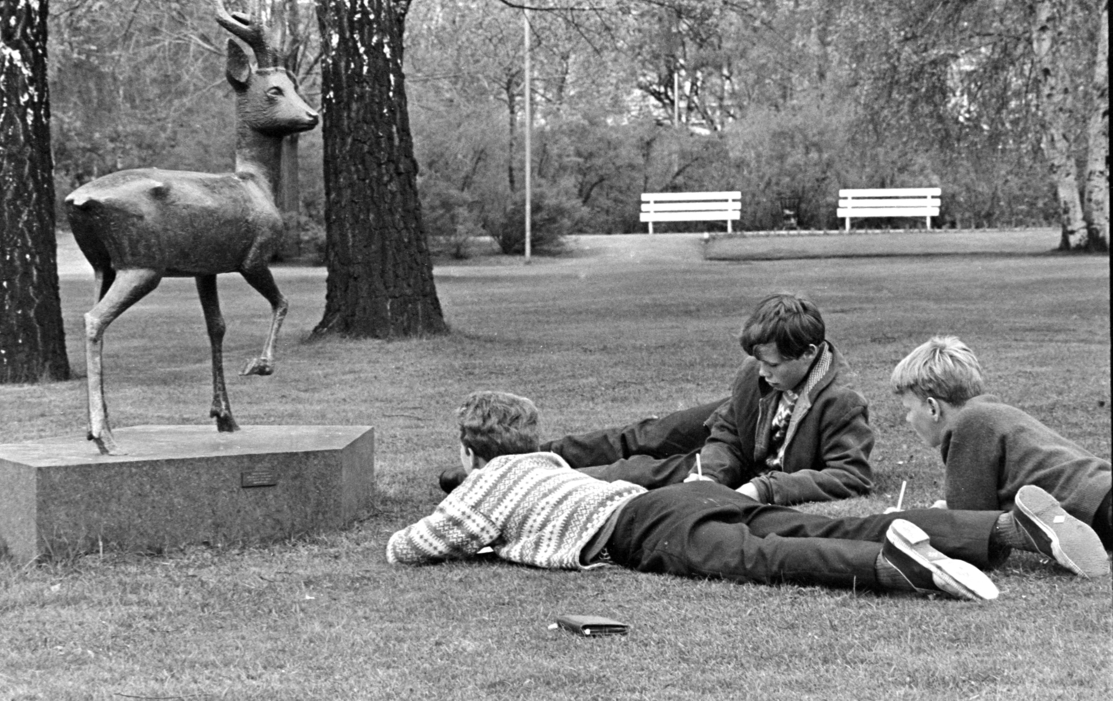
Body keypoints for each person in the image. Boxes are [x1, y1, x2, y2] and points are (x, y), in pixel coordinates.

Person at [392, 392, 1109, 598]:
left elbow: (412, 546)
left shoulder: (482, 487)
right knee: (815, 520)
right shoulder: (547, 464)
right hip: (686, 497)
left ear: (469, 452)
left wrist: (468, 516)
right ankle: (1000, 529)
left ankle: (892, 566)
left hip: (642, 531)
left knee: (763, 556)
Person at [440, 294, 874, 506]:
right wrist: (712, 471)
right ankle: (521, 456)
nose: (762, 373)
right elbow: (724, 434)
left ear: (810, 354)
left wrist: (761, 487)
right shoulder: (754, 376)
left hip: (749, 465)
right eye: (758, 363)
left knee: (637, 472)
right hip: (734, 440)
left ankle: (508, 480)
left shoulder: (842, 403)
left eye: (773, 366)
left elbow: (851, 476)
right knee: (647, 434)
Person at [891, 336, 1113, 551]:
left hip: (1101, 506)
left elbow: (968, 527)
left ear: (932, 408)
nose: (908, 419)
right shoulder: (991, 413)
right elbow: (977, 508)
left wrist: (906, 522)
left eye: (908, 409)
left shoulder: (966, 425)